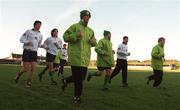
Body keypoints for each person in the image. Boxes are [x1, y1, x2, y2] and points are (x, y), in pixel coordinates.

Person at [62, 10, 97, 103]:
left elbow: (95, 42)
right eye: (86, 16)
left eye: (89, 17)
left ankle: (65, 80)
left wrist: (92, 41)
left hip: (85, 59)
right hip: (75, 57)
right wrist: (76, 35)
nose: (87, 18)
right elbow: (65, 37)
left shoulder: (91, 31)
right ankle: (77, 98)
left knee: (81, 78)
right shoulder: (75, 26)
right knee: (78, 80)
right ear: (82, 17)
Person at [14, 20, 43, 87]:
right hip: (27, 51)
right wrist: (27, 42)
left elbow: (39, 44)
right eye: (38, 25)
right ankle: (19, 74)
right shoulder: (28, 31)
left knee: (33, 68)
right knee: (26, 69)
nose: (39, 26)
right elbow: (21, 39)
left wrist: (44, 46)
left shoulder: (40, 35)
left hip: (34, 52)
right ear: (34, 25)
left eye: (40, 25)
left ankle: (29, 81)